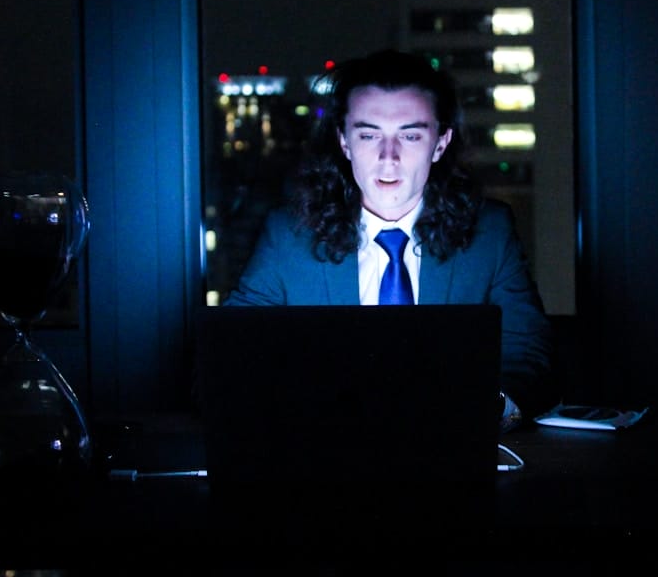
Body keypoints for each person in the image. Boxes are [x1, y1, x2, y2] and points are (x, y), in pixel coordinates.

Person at [223, 48, 559, 431]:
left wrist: (486, 409)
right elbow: (229, 354)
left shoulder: (489, 234)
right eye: (369, 135)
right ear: (344, 142)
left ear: (440, 143)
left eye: (410, 135)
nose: (389, 157)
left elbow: (528, 355)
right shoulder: (289, 236)